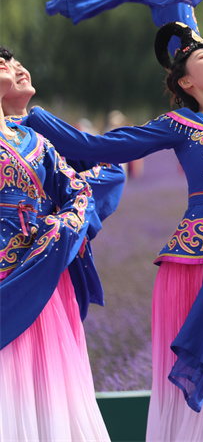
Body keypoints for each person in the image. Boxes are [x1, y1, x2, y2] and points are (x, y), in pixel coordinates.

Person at [26, 21, 203, 441]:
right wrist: (34, 118)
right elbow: (100, 149)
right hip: (193, 265)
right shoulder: (180, 124)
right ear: (186, 81)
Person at [0, 47, 107, 441]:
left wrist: (63, 225)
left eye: (8, 59)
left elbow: (79, 188)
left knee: (49, 385)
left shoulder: (35, 141)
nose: (5, 63)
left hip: (42, 268)